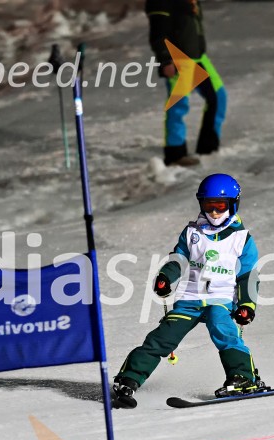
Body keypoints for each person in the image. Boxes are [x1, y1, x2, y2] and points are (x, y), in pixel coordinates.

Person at [113, 174, 260, 407]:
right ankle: (128, 380)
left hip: (221, 299)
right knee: (163, 337)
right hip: (190, 299)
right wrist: (166, 276)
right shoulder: (192, 233)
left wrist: (247, 305)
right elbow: (179, 259)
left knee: (223, 330)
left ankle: (242, 378)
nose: (214, 213)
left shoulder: (241, 239)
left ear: (233, 204)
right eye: (208, 206)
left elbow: (248, 275)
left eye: (220, 206)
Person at [145, 0, 227, 166]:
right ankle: (175, 153)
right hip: (177, 58)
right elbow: (158, 32)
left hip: (197, 56)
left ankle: (208, 148)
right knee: (178, 105)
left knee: (219, 97)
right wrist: (165, 59)